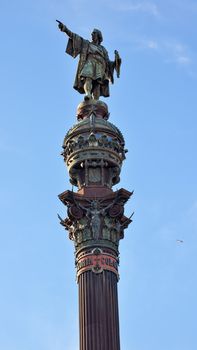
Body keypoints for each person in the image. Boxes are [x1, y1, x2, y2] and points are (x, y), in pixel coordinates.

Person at [57, 21, 121, 100]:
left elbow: (108, 62)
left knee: (97, 83)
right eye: (91, 34)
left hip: (100, 65)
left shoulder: (103, 49)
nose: (92, 35)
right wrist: (65, 29)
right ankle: (88, 94)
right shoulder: (86, 44)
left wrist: (116, 62)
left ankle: (96, 100)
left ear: (98, 36)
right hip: (90, 62)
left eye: (94, 33)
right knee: (88, 77)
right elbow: (74, 37)